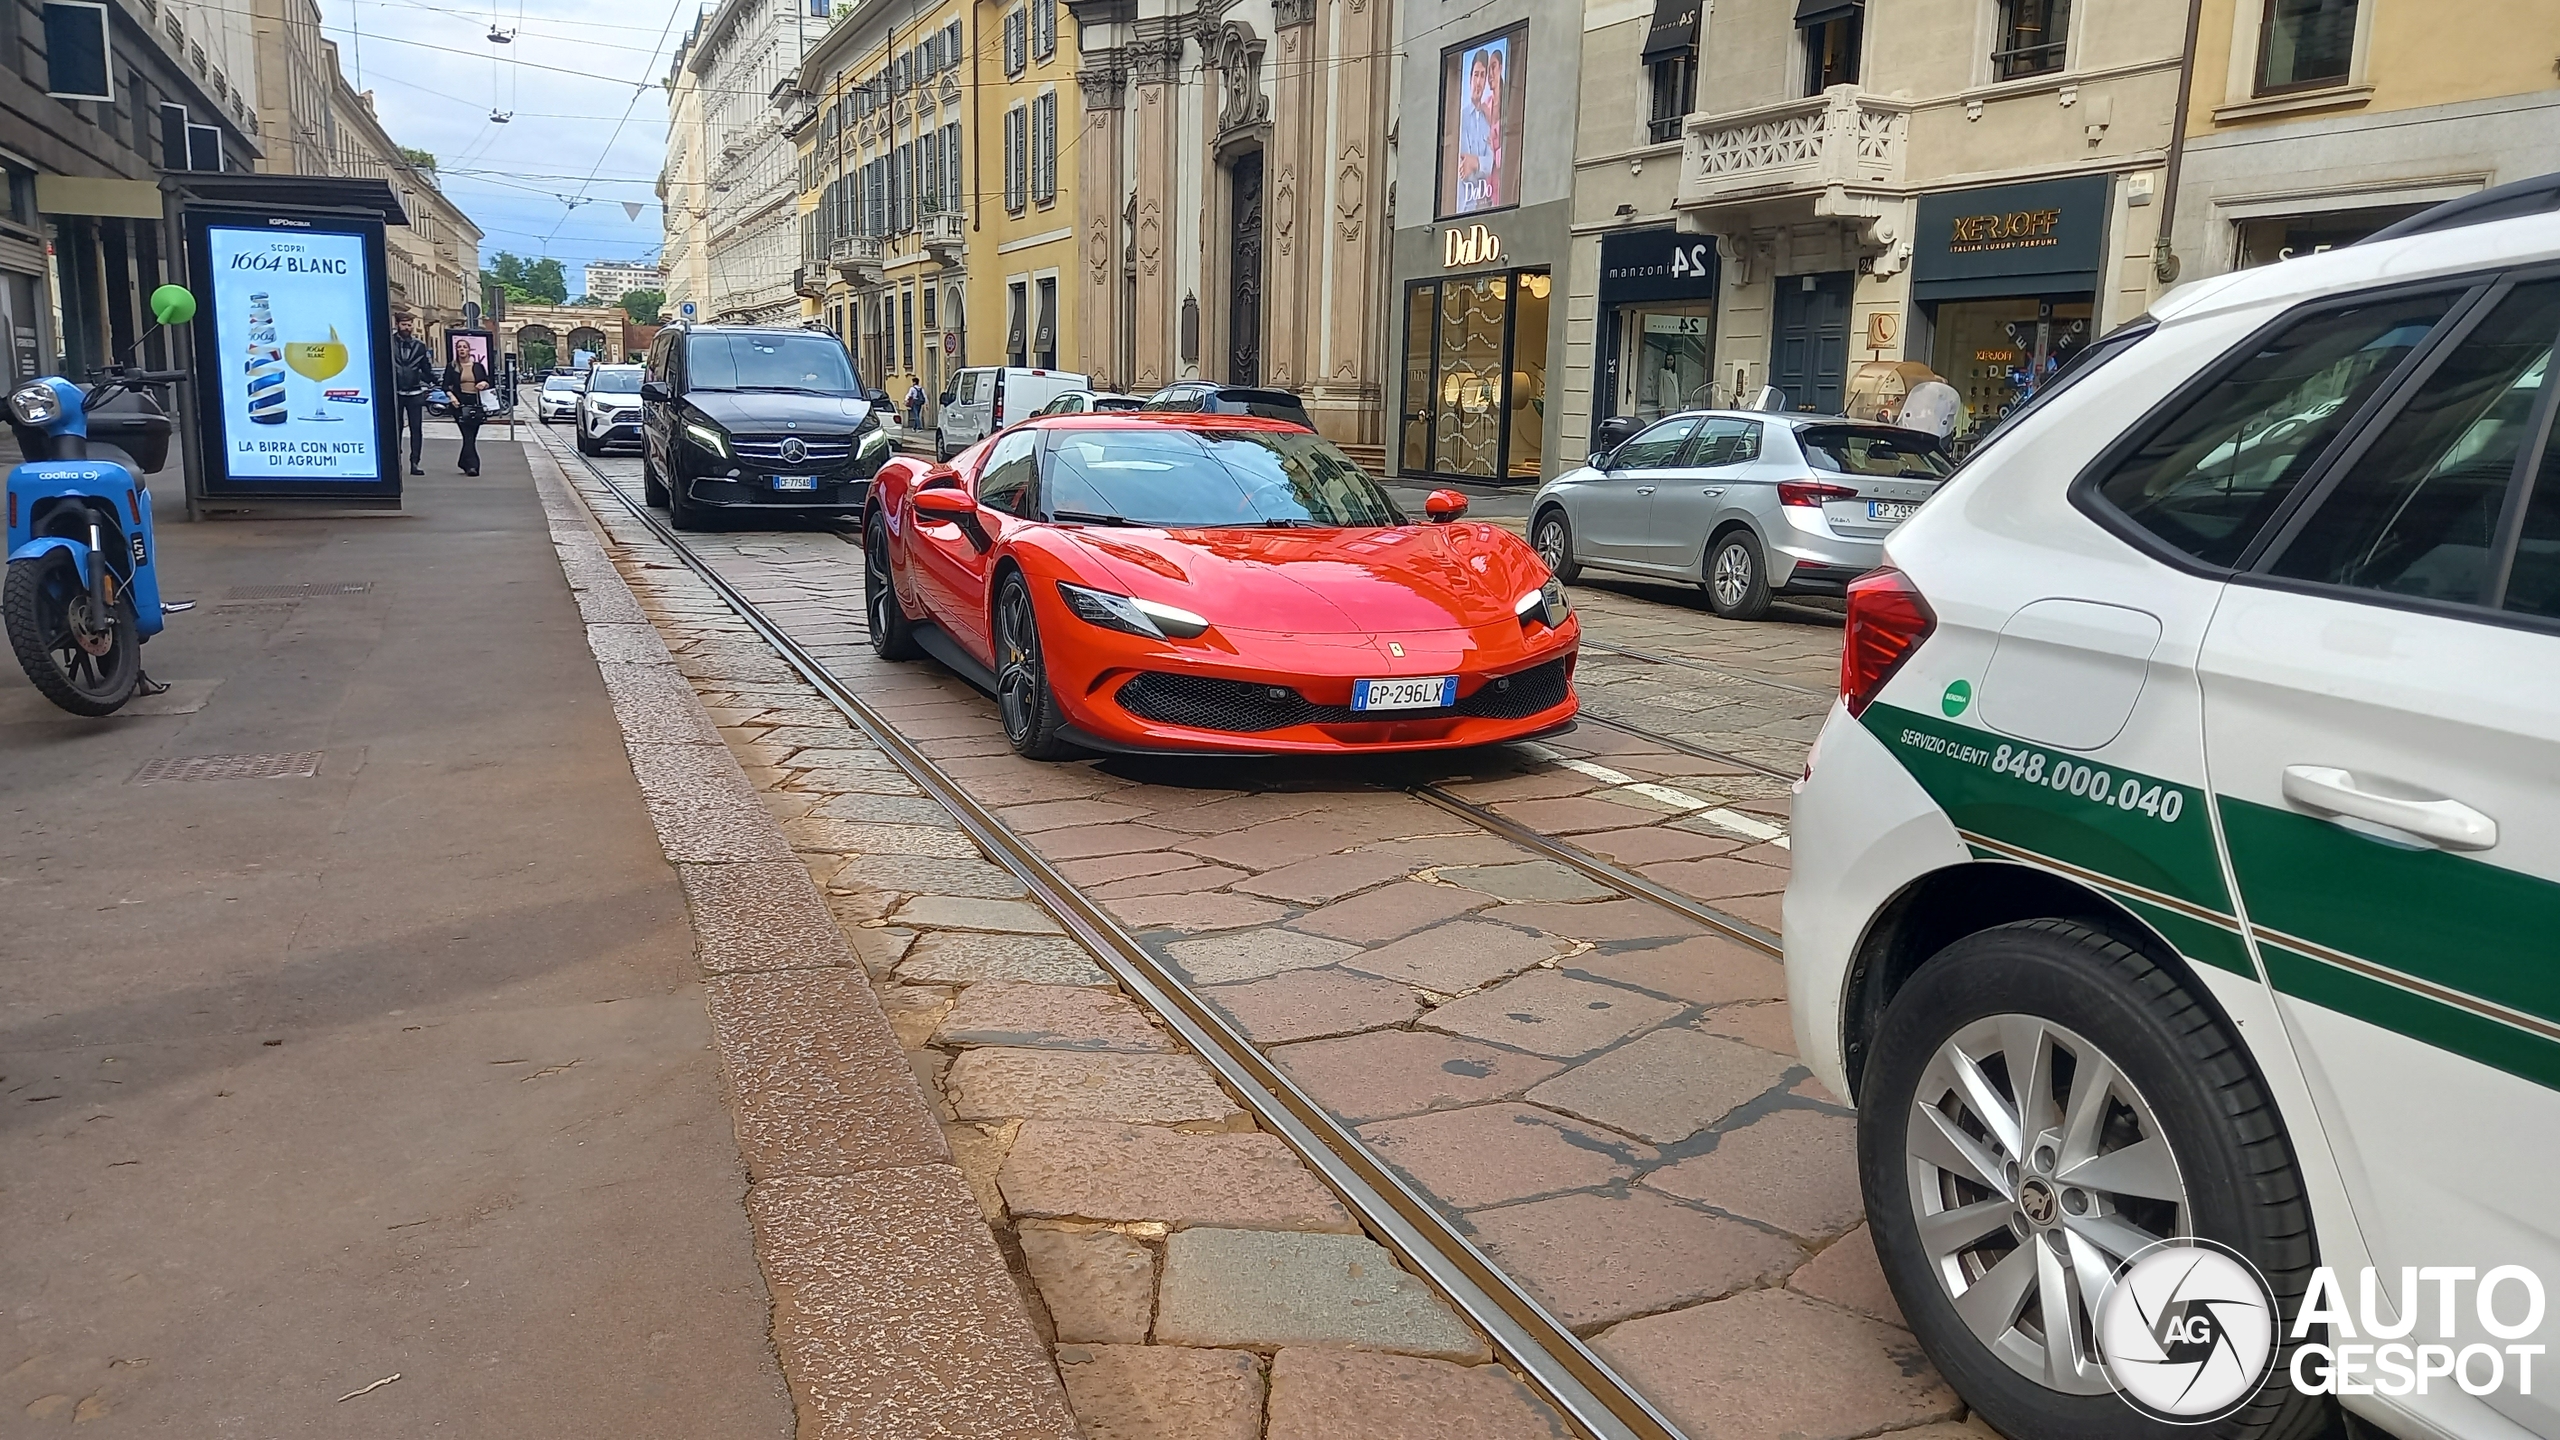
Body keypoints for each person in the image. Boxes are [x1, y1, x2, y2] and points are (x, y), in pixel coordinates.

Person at [391, 313, 435, 476]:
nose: (407, 328)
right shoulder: (389, 343)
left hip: (415, 391)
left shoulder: (419, 345)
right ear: (397, 325)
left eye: (409, 325)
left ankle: (415, 462)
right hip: (396, 391)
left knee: (416, 428)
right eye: (404, 325)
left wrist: (435, 381)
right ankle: (396, 461)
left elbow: (425, 368)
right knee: (396, 428)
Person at [444, 344, 493, 477]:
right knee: (467, 435)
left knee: (471, 436)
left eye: (464, 347)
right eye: (459, 347)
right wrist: (452, 397)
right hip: (459, 403)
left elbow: (488, 381)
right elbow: (445, 385)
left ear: (469, 350)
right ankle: (473, 466)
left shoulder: (477, 366)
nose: (462, 349)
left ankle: (463, 461)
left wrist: (484, 384)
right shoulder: (452, 366)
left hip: (475, 402)